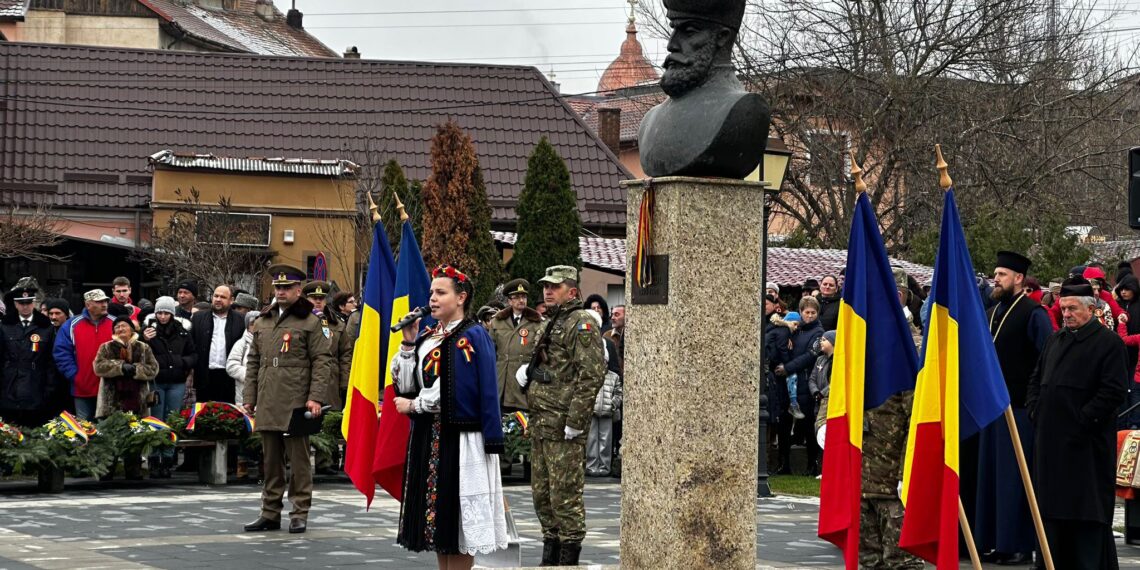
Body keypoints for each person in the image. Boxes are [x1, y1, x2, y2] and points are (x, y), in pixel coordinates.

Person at [391, 263, 509, 568]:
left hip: (461, 439)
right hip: (431, 438)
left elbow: (459, 387)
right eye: (432, 292)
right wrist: (407, 341)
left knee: (458, 522)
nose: (432, 298)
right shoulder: (429, 338)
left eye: (441, 292)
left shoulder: (470, 337)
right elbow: (405, 385)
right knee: (440, 523)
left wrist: (415, 406)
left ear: (461, 297)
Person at [816, 270, 922, 569]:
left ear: (901, 296)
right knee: (868, 559)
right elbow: (834, 394)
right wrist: (824, 425)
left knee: (901, 561)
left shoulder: (912, 349)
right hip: (857, 470)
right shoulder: (858, 345)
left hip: (893, 479)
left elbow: (917, 419)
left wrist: (907, 470)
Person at [1026, 279, 1127, 569]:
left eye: (1072, 308)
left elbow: (1112, 392)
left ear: (1091, 309)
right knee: (1051, 520)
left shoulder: (1108, 343)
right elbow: (1036, 379)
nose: (1066, 314)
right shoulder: (1055, 339)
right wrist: (1036, 410)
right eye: (1063, 308)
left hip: (1086, 452)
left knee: (1084, 521)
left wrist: (1081, 420)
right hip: (1050, 448)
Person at [517, 265, 605, 566]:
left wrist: (575, 422)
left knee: (564, 496)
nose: (548, 291)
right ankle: (550, 552)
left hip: (563, 424)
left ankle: (568, 557)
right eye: (546, 286)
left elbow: (590, 377)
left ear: (572, 291)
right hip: (543, 421)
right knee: (541, 495)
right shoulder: (550, 322)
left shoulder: (581, 323)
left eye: (555, 286)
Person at [974, 251, 1054, 565]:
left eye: (1003, 274)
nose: (997, 279)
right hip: (992, 410)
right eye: (996, 274)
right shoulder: (993, 311)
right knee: (991, 478)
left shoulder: (1034, 313)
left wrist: (1034, 402)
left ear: (1018, 279)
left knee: (1014, 479)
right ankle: (993, 539)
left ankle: (1018, 543)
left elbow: (1045, 359)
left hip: (1020, 409)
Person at [242, 265, 332, 535]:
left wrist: (315, 397)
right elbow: (254, 361)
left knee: (299, 460)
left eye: (286, 288)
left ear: (297, 290)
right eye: (277, 287)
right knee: (270, 461)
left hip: (296, 401)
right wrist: (250, 396)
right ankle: (269, 512)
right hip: (269, 399)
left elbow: (322, 362)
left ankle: (299, 512)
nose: (280, 292)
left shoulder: (311, 321)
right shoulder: (264, 320)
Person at [141, 296, 196, 478]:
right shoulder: (148, 331)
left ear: (172, 314)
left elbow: (193, 354)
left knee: (171, 420)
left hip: (176, 381)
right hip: (156, 381)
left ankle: (168, 458)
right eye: (160, 313)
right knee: (156, 420)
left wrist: (182, 362)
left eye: (166, 313)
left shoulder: (182, 332)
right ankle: (154, 458)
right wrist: (144, 339)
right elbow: (139, 353)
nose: (163, 316)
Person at [775, 297, 823, 475]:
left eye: (813, 312)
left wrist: (788, 368)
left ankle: (812, 464)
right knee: (784, 425)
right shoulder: (794, 328)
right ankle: (783, 463)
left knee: (809, 425)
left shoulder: (819, 333)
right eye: (806, 312)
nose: (809, 315)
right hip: (788, 384)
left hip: (805, 381)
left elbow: (810, 356)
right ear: (801, 312)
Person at [0, 279, 57, 428]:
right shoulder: (5, 325)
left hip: (36, 385)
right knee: (11, 431)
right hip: (10, 385)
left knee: (34, 431)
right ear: (15, 304)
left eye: (28, 302)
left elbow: (51, 361)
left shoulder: (45, 326)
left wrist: (49, 387)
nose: (25, 306)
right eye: (21, 303)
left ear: (34, 303)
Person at [53, 289, 114, 420]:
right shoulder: (71, 325)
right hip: (81, 387)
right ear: (88, 305)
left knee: (109, 428)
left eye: (105, 301)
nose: (104, 304)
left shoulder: (115, 323)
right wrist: (74, 376)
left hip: (109, 388)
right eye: (99, 301)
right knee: (83, 427)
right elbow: (61, 353)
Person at [487, 278, 543, 413]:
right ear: (509, 301)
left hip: (523, 382)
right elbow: (490, 352)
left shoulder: (536, 322)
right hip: (502, 381)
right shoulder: (497, 322)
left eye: (524, 296)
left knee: (522, 423)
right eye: (517, 297)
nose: (521, 300)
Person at [303, 281, 353, 410]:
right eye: (314, 298)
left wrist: (344, 384)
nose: (318, 301)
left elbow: (345, 355)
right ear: (307, 299)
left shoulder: (337, 324)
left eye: (321, 298)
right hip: (303, 380)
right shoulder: (299, 322)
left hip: (331, 382)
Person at [191, 285, 245, 404]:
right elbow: (192, 344)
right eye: (216, 296)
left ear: (231, 300)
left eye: (223, 297)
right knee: (203, 413)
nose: (218, 299)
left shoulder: (240, 320)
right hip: (205, 375)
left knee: (228, 413)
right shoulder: (198, 318)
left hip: (228, 377)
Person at [585, 309, 622, 478]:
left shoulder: (612, 376)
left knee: (605, 440)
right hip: (592, 410)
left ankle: (605, 465)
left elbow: (618, 391)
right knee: (592, 439)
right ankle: (592, 465)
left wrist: (613, 404)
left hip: (607, 411)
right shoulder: (590, 373)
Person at [226, 309, 261, 480]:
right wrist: (250, 374)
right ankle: (242, 463)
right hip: (244, 393)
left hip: (264, 393)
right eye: (254, 323)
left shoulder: (267, 341)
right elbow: (231, 366)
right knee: (245, 429)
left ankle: (262, 463)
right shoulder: (241, 344)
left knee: (261, 430)